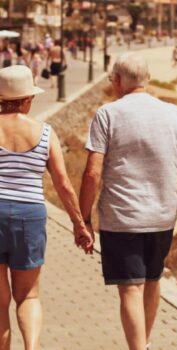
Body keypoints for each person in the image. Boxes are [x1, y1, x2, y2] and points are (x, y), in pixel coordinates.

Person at [79, 52, 177, 350]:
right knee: (152, 281)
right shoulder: (175, 114)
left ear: (120, 81)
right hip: (162, 216)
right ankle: (144, 344)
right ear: (147, 80)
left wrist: (82, 218)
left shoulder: (107, 114)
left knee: (130, 290)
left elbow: (91, 173)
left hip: (122, 218)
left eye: (112, 80)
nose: (112, 85)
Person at [0, 65, 93, 350]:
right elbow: (63, 184)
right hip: (29, 216)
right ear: (27, 99)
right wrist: (80, 224)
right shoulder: (44, 132)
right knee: (28, 296)